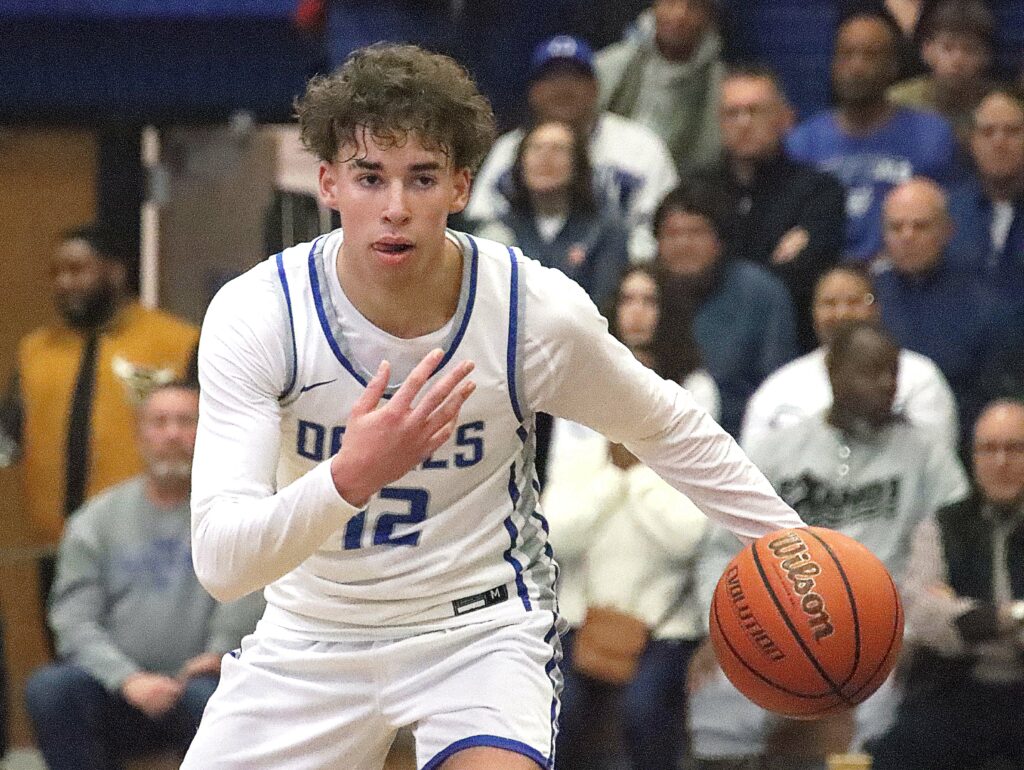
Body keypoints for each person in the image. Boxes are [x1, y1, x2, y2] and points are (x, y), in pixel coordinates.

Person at [181, 44, 806, 770]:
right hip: (311, 634)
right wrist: (352, 473)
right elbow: (223, 563)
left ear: (460, 187)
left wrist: (792, 544)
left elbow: (667, 427)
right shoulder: (261, 313)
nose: (395, 208)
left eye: (422, 179)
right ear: (327, 183)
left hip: (476, 630)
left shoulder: (532, 311)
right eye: (370, 177)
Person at [689, 320, 970, 770]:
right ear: (834, 373)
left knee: (874, 725)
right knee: (718, 708)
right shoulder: (777, 451)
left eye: (892, 373)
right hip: (774, 622)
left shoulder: (924, 455)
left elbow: (951, 538)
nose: (887, 385)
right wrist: (717, 627)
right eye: (871, 372)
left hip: (879, 633)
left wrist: (915, 632)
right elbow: (721, 546)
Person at [24, 382, 265, 770]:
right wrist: (127, 679)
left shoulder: (234, 512)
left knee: (215, 697)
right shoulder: (95, 520)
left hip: (205, 684)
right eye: (159, 422)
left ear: (208, 434)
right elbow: (73, 618)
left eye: (187, 422)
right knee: (51, 689)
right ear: (140, 437)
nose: (172, 434)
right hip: (115, 691)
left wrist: (217, 652)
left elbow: (250, 589)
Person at [0, 225, 199, 602]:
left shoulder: (177, 341)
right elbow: (8, 440)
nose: (64, 282)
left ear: (114, 271)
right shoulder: (35, 351)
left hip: (153, 544)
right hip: (56, 546)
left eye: (77, 270)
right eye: (57, 273)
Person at [544, 342, 709, 770]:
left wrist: (638, 474)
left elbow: (688, 537)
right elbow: (555, 536)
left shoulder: (685, 458)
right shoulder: (580, 457)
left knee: (644, 711)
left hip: (664, 626)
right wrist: (611, 479)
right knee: (557, 715)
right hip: (581, 620)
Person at [871, 398, 1024, 770]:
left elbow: (947, 617)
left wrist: (963, 615)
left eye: (1015, 448)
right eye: (988, 449)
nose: (1000, 462)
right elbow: (923, 613)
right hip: (954, 690)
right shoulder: (941, 525)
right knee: (894, 753)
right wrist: (1014, 616)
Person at [465, 35, 679, 261]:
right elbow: (483, 231)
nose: (562, 89)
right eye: (551, 79)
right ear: (533, 92)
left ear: (595, 88)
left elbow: (661, 231)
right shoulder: (507, 151)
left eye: (574, 79)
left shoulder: (642, 147)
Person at [786, 9, 958, 260]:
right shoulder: (801, 143)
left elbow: (946, 223)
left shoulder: (931, 135)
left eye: (870, 55)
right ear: (833, 65)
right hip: (825, 282)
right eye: (847, 55)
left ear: (893, 66)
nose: (857, 66)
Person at [695, 65, 846, 350]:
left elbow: (802, 277)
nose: (743, 122)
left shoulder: (820, 191)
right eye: (732, 113)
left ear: (785, 118)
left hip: (793, 339)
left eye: (755, 111)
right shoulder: (697, 190)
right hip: (709, 335)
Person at [741, 263, 958, 452]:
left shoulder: (919, 377)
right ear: (813, 313)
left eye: (854, 302)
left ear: (876, 308)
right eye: (829, 304)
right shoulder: (780, 386)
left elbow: (935, 457)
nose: (842, 314)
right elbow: (755, 466)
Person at [653, 182, 798, 437]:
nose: (683, 244)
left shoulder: (761, 293)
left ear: (719, 241)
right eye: (672, 234)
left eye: (696, 233)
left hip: (740, 441)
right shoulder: (642, 293)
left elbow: (779, 388)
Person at [873, 177, 1015, 436]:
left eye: (920, 227)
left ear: (947, 230)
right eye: (896, 227)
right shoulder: (867, 297)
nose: (907, 237)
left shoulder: (986, 305)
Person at [472, 119, 629, 310]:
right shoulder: (499, 231)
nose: (545, 158)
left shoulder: (605, 229)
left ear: (578, 163)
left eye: (558, 149)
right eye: (536, 148)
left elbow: (606, 302)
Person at [595, 0, 725, 173]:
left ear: (708, 17)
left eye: (693, 6)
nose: (680, 14)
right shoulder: (609, 64)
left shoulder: (722, 85)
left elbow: (711, 157)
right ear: (654, 7)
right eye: (671, 3)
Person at [947, 85, 1024, 314]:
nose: (999, 143)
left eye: (1012, 131)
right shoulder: (947, 211)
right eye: (988, 132)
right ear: (972, 142)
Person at [887, 0, 995, 146]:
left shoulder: (998, 104)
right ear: (927, 51)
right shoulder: (899, 102)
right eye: (947, 48)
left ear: (985, 56)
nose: (958, 60)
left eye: (969, 49)